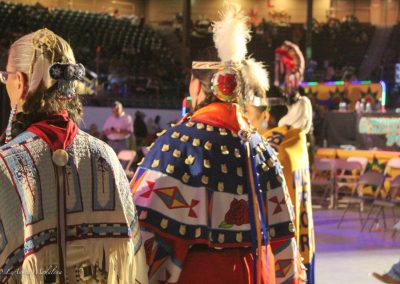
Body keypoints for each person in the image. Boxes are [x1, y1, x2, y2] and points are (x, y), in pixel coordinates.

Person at [130, 3, 304, 284]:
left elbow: (141, 235)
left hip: (197, 274)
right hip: (254, 273)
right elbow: (284, 241)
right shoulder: (263, 149)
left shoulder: (175, 145)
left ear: (197, 88)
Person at [0, 28, 147, 283]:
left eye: (6, 76)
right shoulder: (107, 156)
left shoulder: (6, 164)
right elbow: (134, 263)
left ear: (21, 83)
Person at [244, 41, 315, 283]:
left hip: (279, 245)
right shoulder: (298, 138)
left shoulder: (270, 144)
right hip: (302, 241)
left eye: (248, 113)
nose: (245, 119)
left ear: (266, 116)